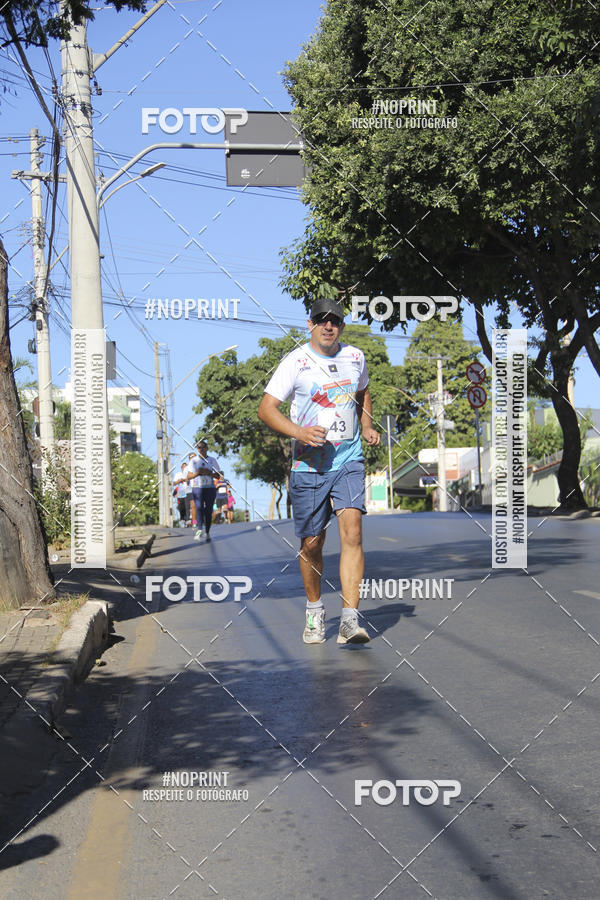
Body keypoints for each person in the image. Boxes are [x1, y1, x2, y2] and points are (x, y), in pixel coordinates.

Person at [257, 297, 380, 645]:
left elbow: (363, 390)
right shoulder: (296, 362)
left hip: (348, 458)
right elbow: (266, 409)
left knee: (353, 531)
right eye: (321, 319)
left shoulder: (355, 357)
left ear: (341, 326)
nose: (329, 325)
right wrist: (299, 432)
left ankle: (349, 621)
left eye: (335, 320)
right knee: (312, 544)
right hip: (309, 464)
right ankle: (314, 610)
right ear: (309, 324)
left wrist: (366, 425)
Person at [187, 440, 221, 542]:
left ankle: (207, 531)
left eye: (203, 447)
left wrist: (209, 473)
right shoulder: (193, 461)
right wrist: (197, 473)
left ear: (207, 448)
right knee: (199, 508)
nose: (201, 449)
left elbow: (219, 476)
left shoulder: (212, 460)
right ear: (197, 449)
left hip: (209, 488)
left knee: (208, 510)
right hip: (197, 488)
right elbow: (188, 476)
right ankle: (199, 529)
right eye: (199, 447)